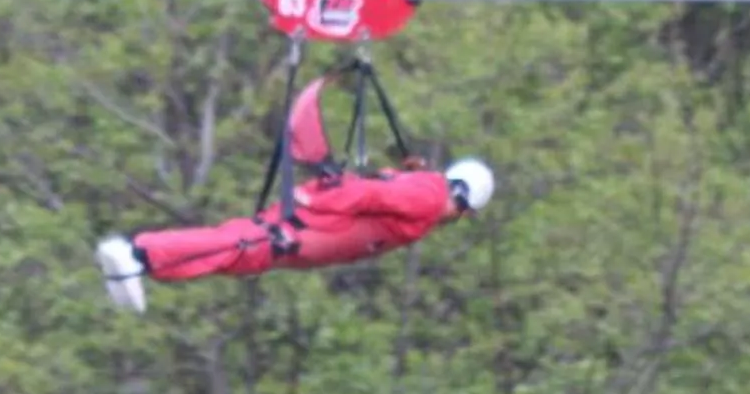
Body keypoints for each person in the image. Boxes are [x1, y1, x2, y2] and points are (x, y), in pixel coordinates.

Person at [94, 78, 493, 312]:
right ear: (464, 203)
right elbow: (365, 195)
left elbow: (376, 198)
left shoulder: (421, 192)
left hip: (313, 230)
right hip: (310, 226)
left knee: (235, 254)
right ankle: (137, 253)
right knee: (237, 246)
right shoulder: (428, 196)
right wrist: (317, 207)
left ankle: (140, 265)